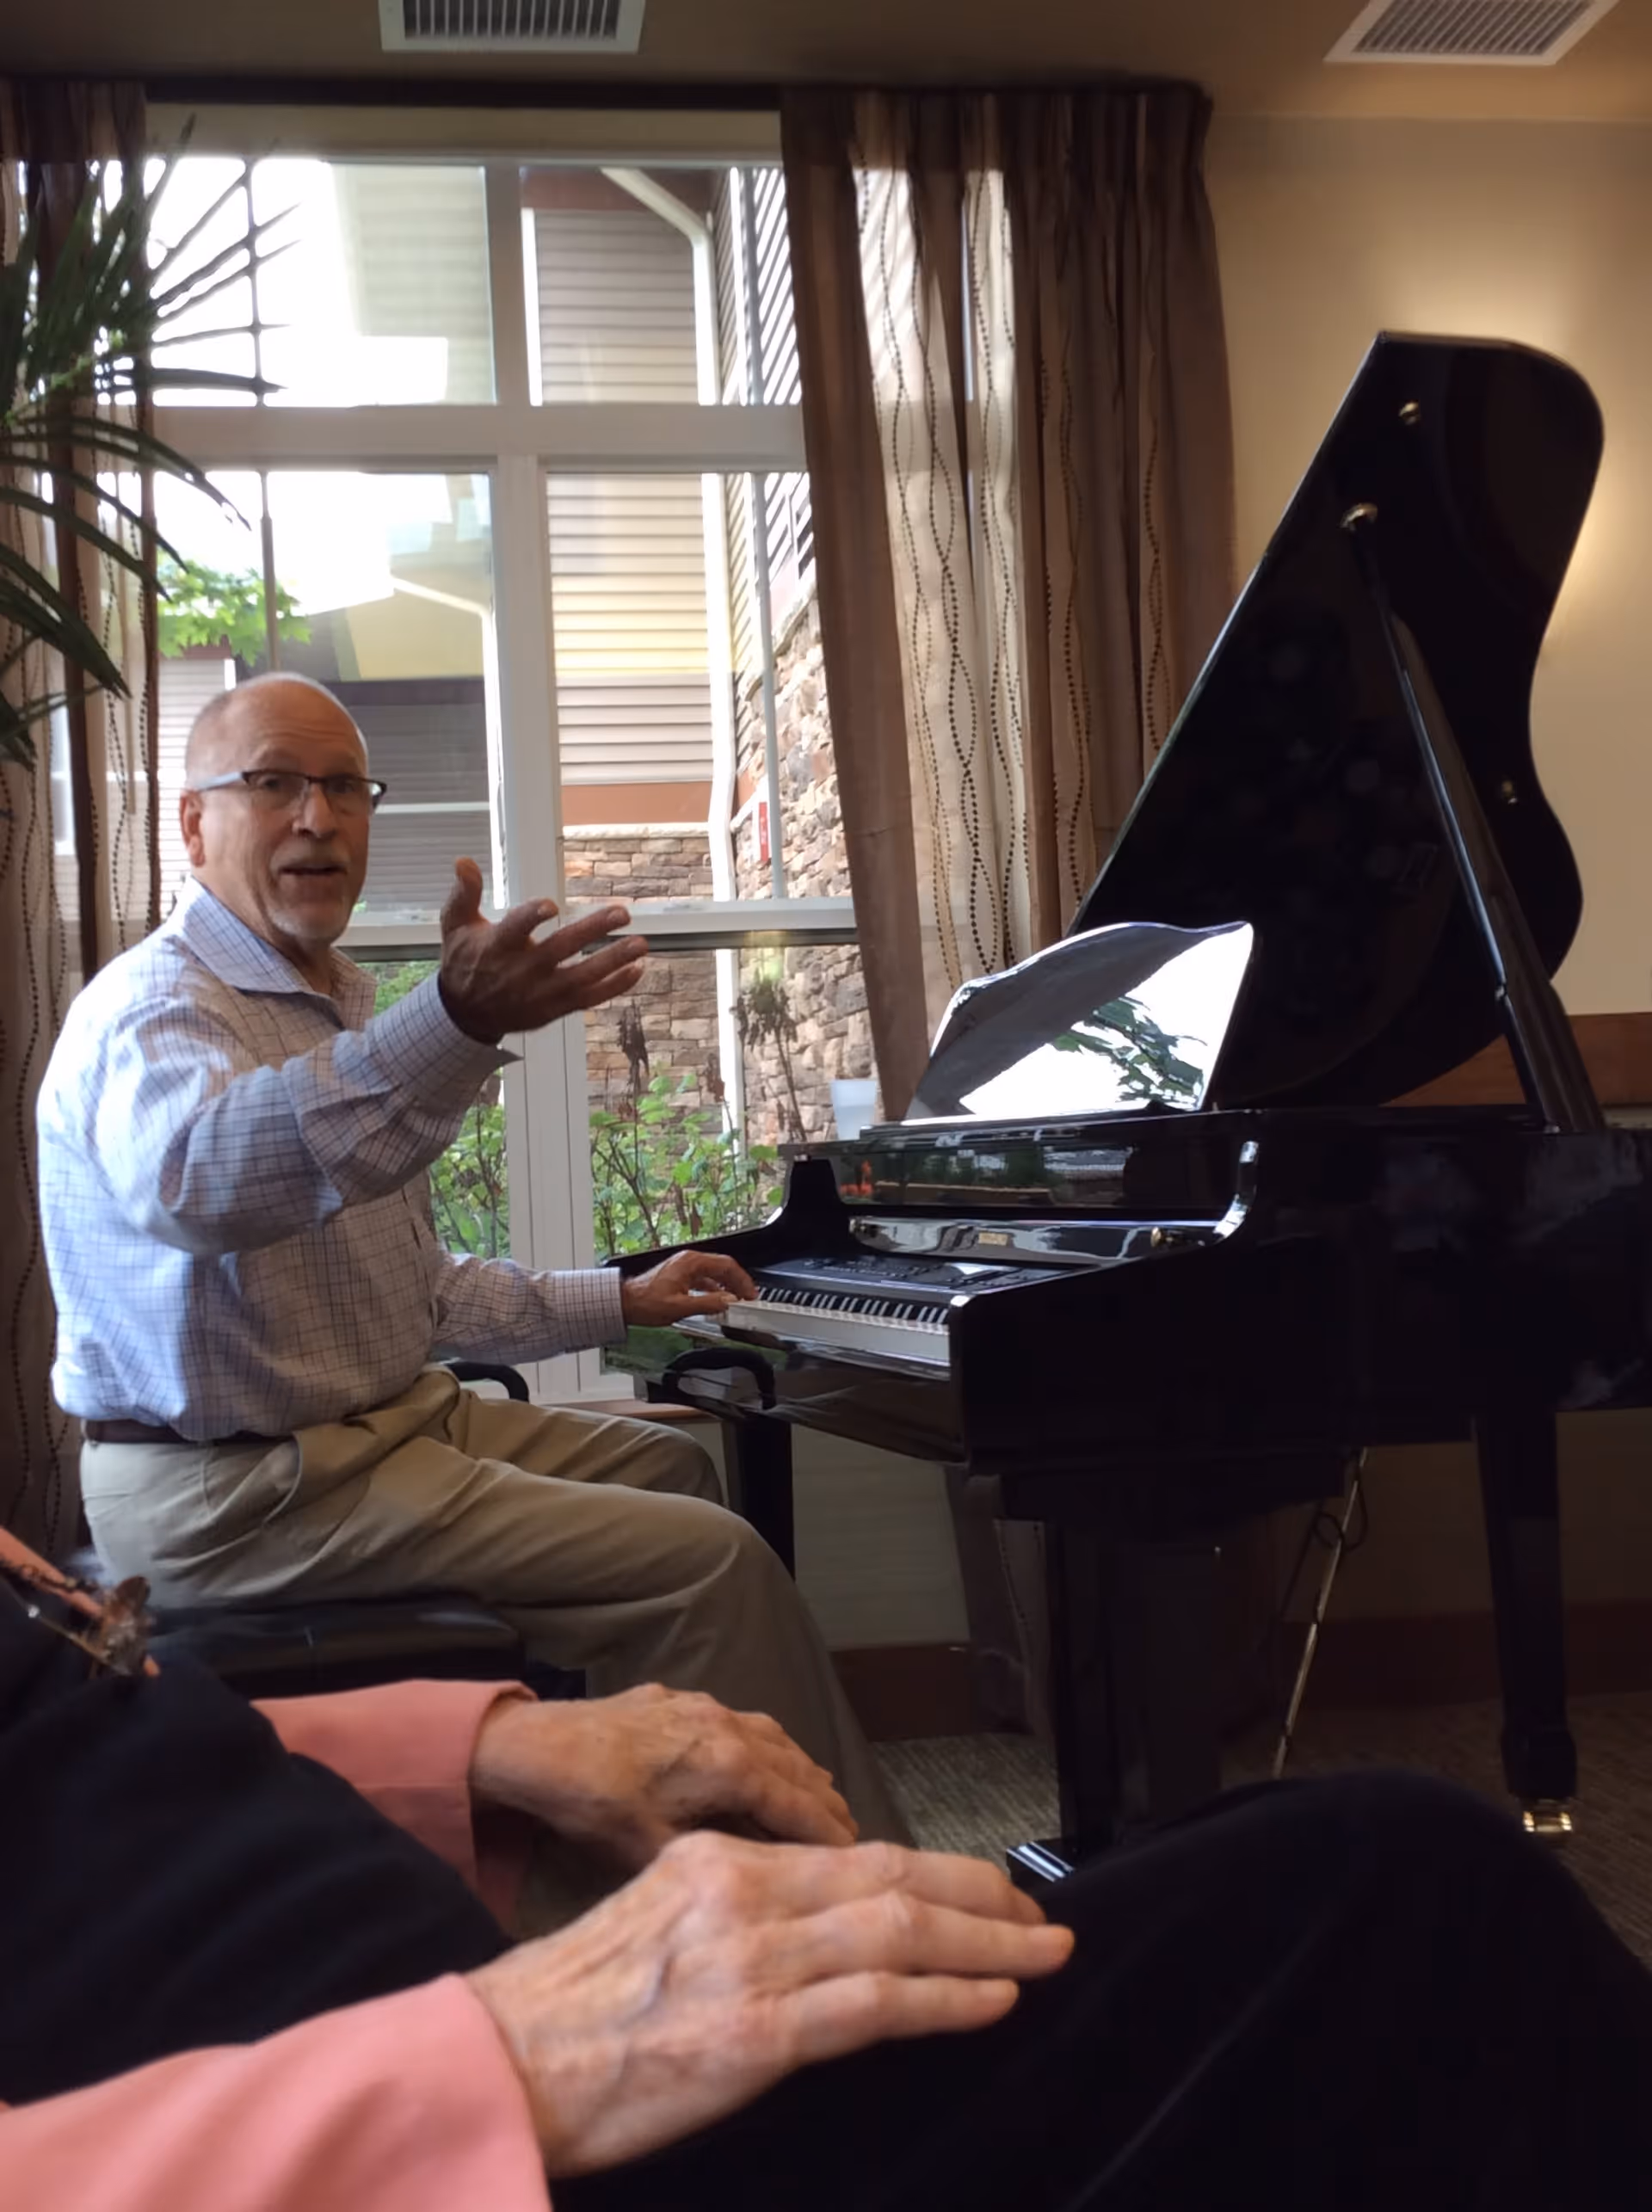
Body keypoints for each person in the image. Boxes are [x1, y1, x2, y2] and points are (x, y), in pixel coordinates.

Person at [3, 1525, 1649, 2212]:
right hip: (412, 2134)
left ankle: (849, 1887)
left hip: (392, 2015)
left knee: (1226, 1868)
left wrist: (481, 1742)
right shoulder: (177, 1032)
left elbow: (82, 1696)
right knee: (1413, 1892)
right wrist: (503, 2056)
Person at [34, 669, 904, 1842]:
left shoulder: (333, 1002)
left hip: (369, 1434)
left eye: (345, 787)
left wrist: (624, 1296)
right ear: (194, 824)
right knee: (712, 1562)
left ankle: (641, 1842)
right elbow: (198, 1182)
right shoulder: (155, 1007)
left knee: (675, 1473)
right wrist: (450, 1022)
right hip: (237, 1493)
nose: (317, 818)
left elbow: (417, 1291)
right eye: (275, 783)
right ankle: (838, 1879)